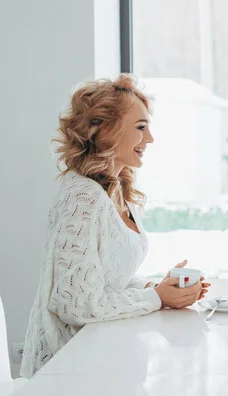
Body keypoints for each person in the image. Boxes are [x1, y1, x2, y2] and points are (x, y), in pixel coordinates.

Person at [20, 74, 210, 378]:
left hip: (106, 357)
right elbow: (75, 304)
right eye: (140, 127)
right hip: (72, 372)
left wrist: (157, 288)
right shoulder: (82, 197)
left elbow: (106, 280)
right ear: (106, 130)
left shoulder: (115, 189)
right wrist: (157, 298)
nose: (149, 139)